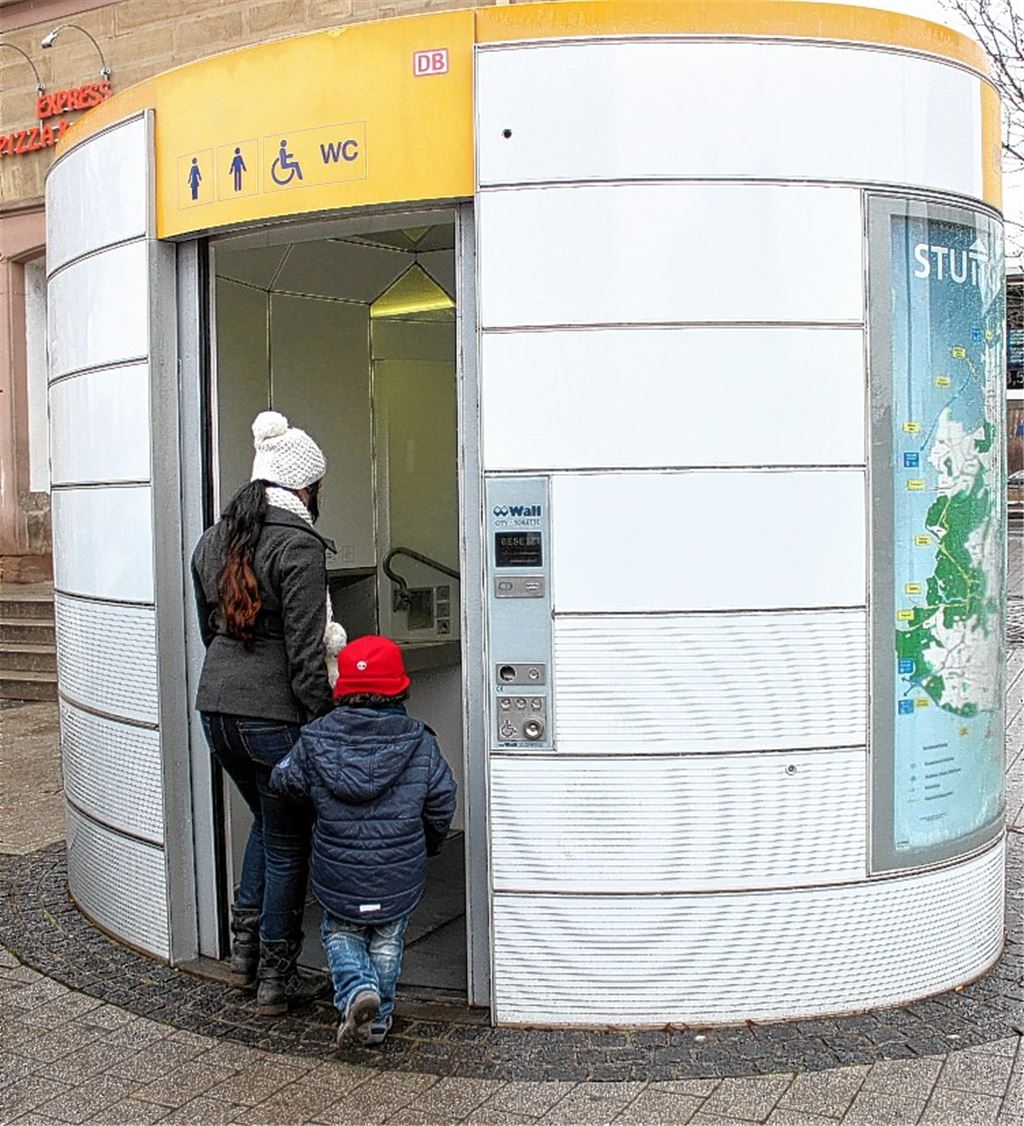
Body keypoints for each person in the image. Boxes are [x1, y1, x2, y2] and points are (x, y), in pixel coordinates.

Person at [191, 410, 346, 1016]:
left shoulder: (217, 537)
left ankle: (244, 956)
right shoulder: (298, 545)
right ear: (304, 487)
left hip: (216, 706)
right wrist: (324, 727)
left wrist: (233, 682)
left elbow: (213, 627)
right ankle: (277, 979)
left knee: (268, 821)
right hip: (272, 716)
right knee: (289, 839)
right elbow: (308, 657)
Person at [270, 635, 457, 1047]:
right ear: (400, 688)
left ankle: (356, 992)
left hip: (339, 871)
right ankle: (377, 1021)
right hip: (398, 870)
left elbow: (283, 779)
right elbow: (443, 799)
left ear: (341, 688)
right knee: (387, 941)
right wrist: (429, 842)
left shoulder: (315, 739)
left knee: (341, 934)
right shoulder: (420, 742)